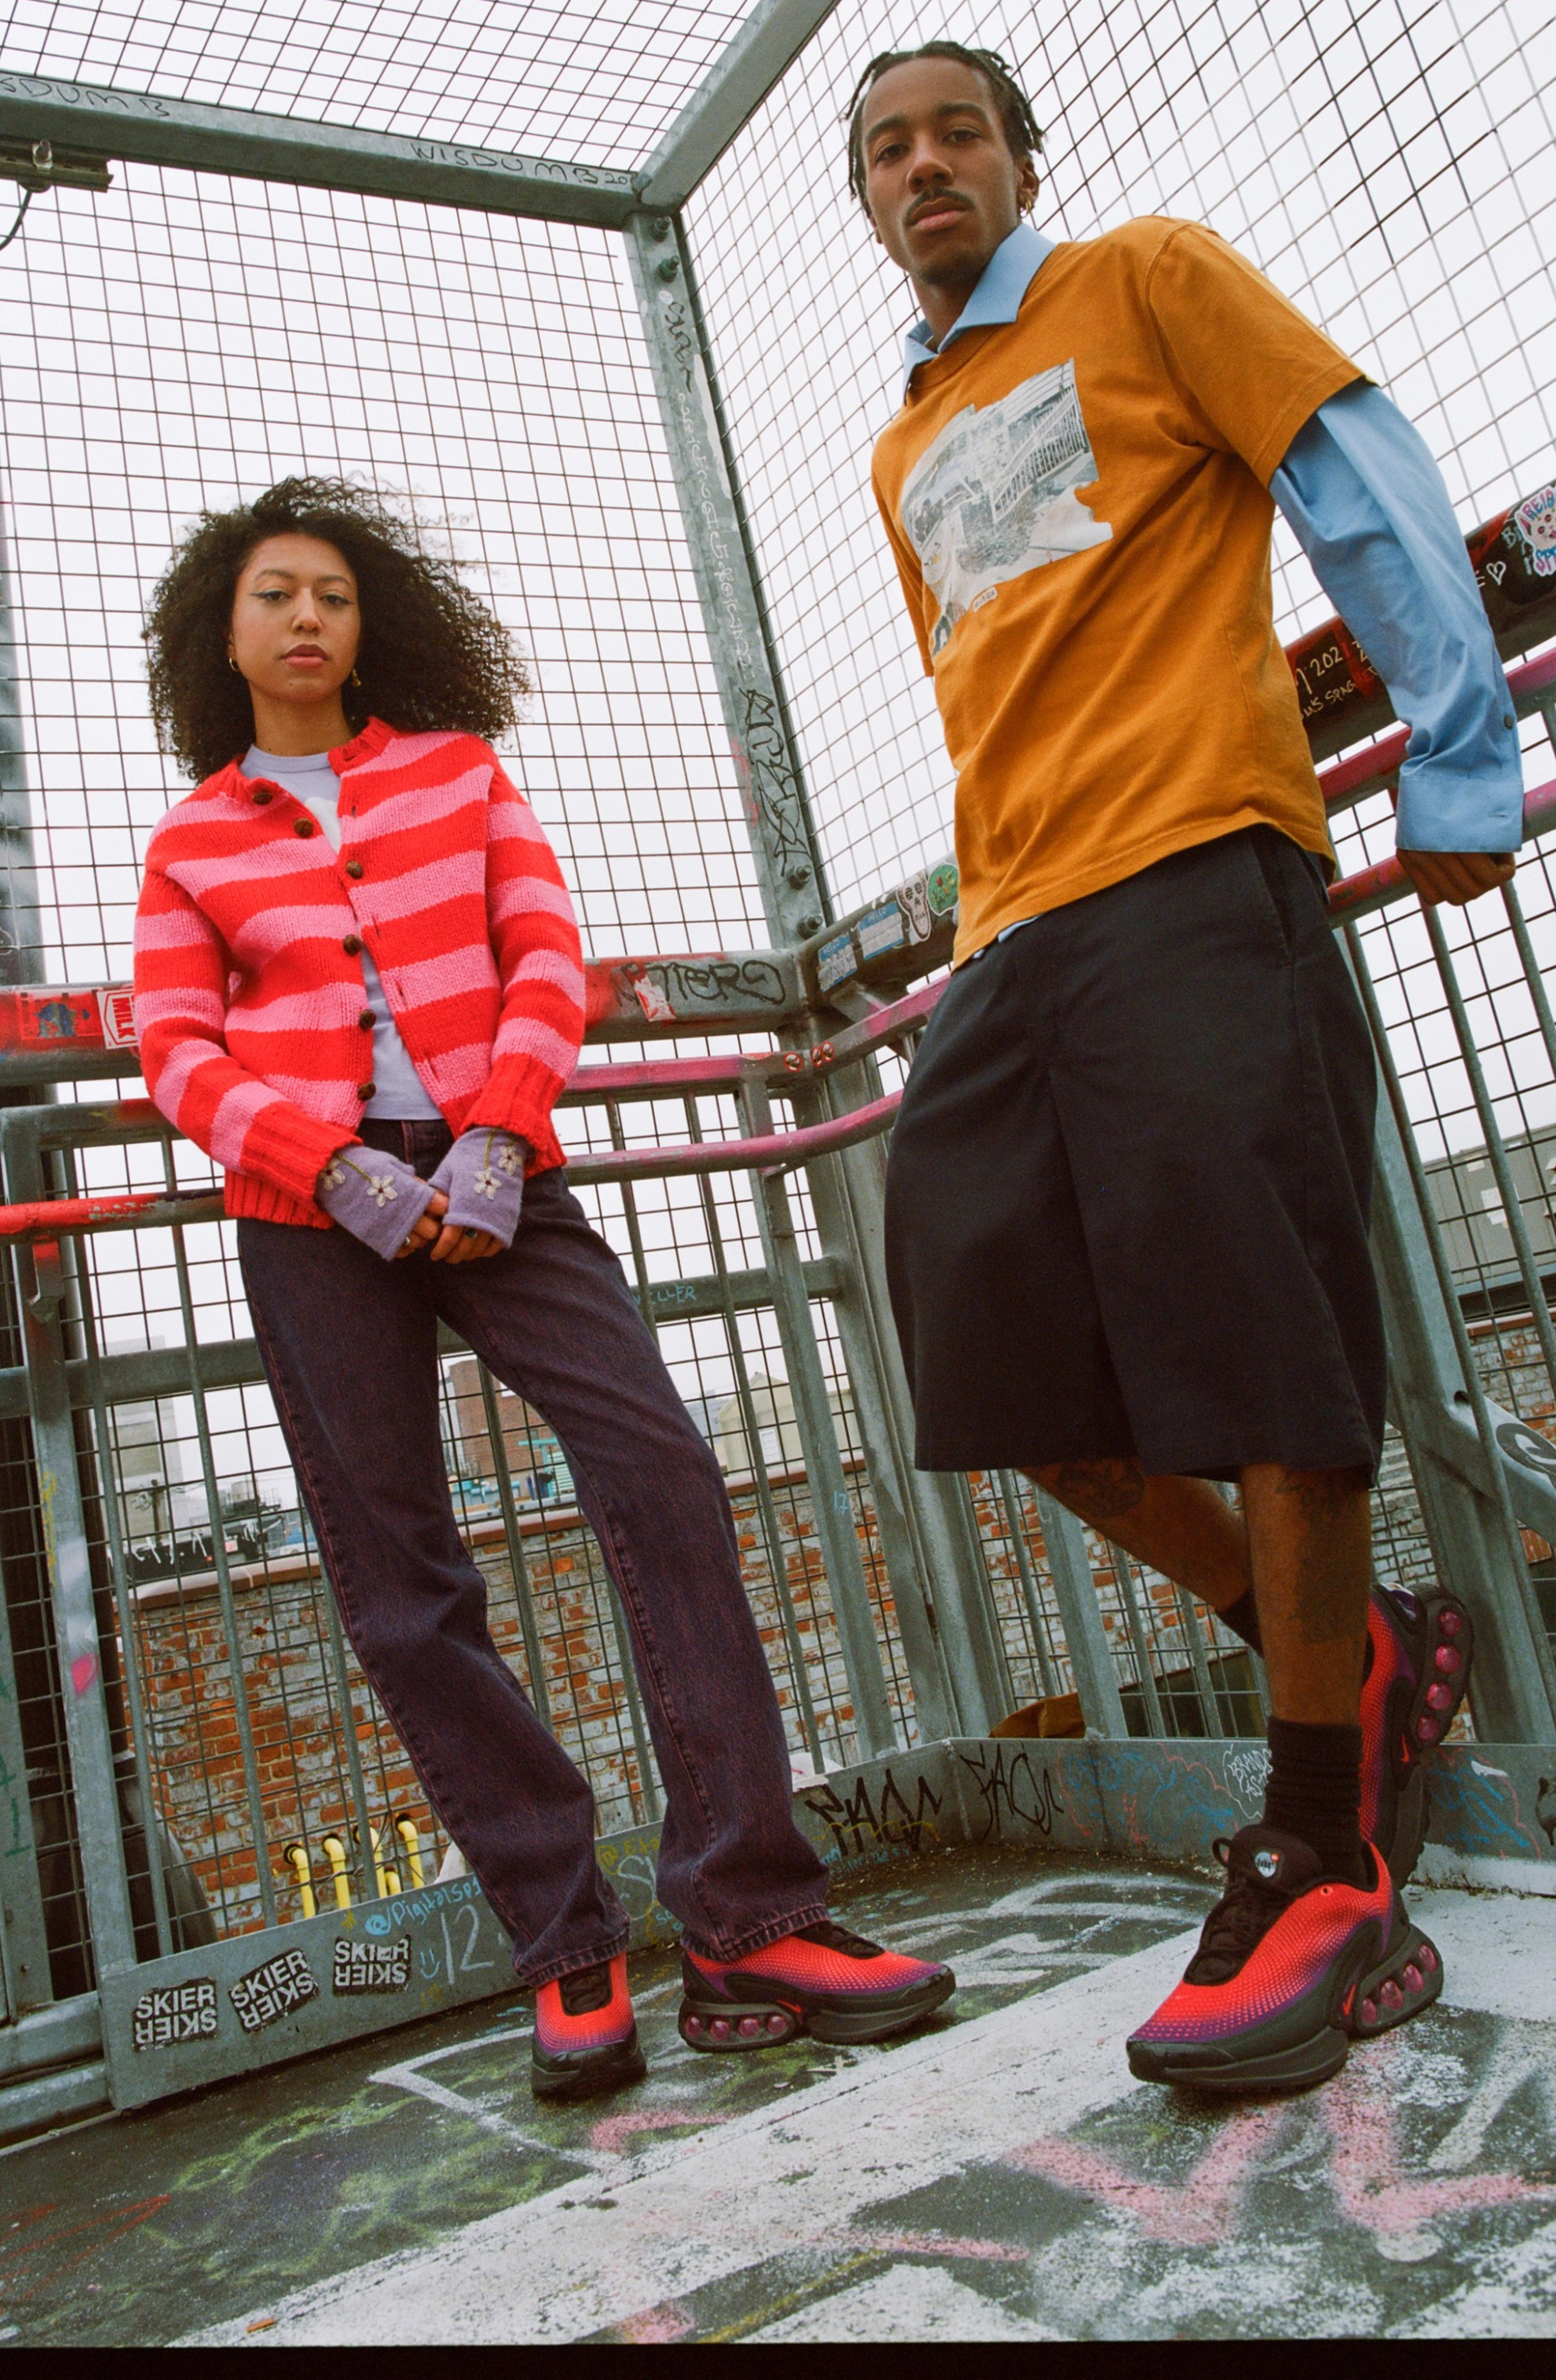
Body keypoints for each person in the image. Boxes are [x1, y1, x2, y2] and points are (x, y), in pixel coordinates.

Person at [848, 44, 1517, 2097]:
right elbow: (993, 680)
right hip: (1009, 938)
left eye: (957, 130)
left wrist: (1458, 743)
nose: (925, 164)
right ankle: (1354, 1650)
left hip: (1200, 869)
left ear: (1019, 160)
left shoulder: (1143, 279)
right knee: (997, 1376)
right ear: (871, 207)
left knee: (1272, 1369)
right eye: (888, 150)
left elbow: (1352, 466)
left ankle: (1320, 1843)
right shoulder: (904, 449)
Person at [132, 477, 955, 2102]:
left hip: (504, 1173)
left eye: (335, 597)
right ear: (219, 635)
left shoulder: (456, 773)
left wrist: (499, 1137)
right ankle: (566, 1947)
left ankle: (745, 1908)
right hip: (313, 1214)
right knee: (400, 1583)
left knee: (660, 1467)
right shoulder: (194, 842)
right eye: (274, 596)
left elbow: (546, 954)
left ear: (374, 627)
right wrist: (336, 1168)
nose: (307, 619)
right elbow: (174, 1047)